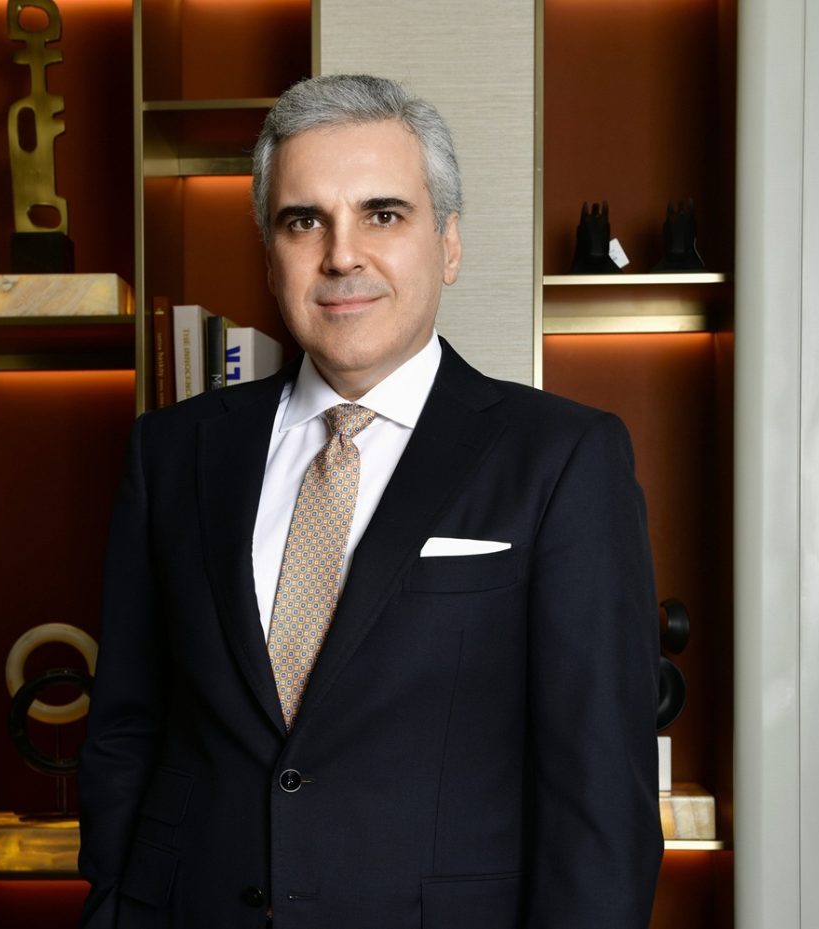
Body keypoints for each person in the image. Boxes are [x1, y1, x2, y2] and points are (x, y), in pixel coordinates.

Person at [78, 74, 663, 929]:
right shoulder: (171, 452)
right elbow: (125, 729)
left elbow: (600, 794)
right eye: (302, 220)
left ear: (448, 244)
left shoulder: (564, 457)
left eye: (382, 214)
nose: (341, 255)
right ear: (270, 253)